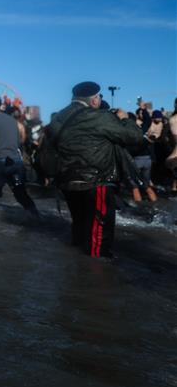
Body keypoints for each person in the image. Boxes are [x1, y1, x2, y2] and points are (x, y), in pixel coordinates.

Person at [49, 82, 143, 258]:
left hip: (67, 180)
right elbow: (135, 137)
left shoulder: (58, 117)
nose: (100, 100)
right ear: (93, 101)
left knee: (80, 225)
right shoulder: (99, 117)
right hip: (96, 180)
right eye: (99, 97)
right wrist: (124, 119)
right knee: (100, 233)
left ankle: (75, 270)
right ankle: (95, 275)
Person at [0, 95, 39, 217]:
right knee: (20, 193)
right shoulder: (11, 120)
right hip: (16, 161)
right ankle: (36, 216)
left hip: (0, 161)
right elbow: (18, 142)